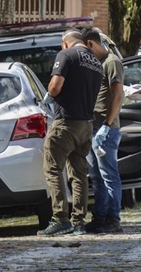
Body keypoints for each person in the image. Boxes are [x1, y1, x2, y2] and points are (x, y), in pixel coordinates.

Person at [38, 27, 103, 236]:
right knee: (79, 174)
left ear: (65, 42)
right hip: (85, 124)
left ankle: (60, 218)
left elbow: (55, 87)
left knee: (53, 169)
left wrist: (49, 94)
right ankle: (79, 221)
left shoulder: (66, 54)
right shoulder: (96, 62)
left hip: (66, 122)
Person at [81, 27, 124, 234]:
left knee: (109, 175)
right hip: (93, 127)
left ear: (90, 43)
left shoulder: (111, 62)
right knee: (96, 177)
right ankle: (99, 217)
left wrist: (107, 124)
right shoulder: (96, 64)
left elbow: (118, 95)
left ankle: (113, 218)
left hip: (106, 129)